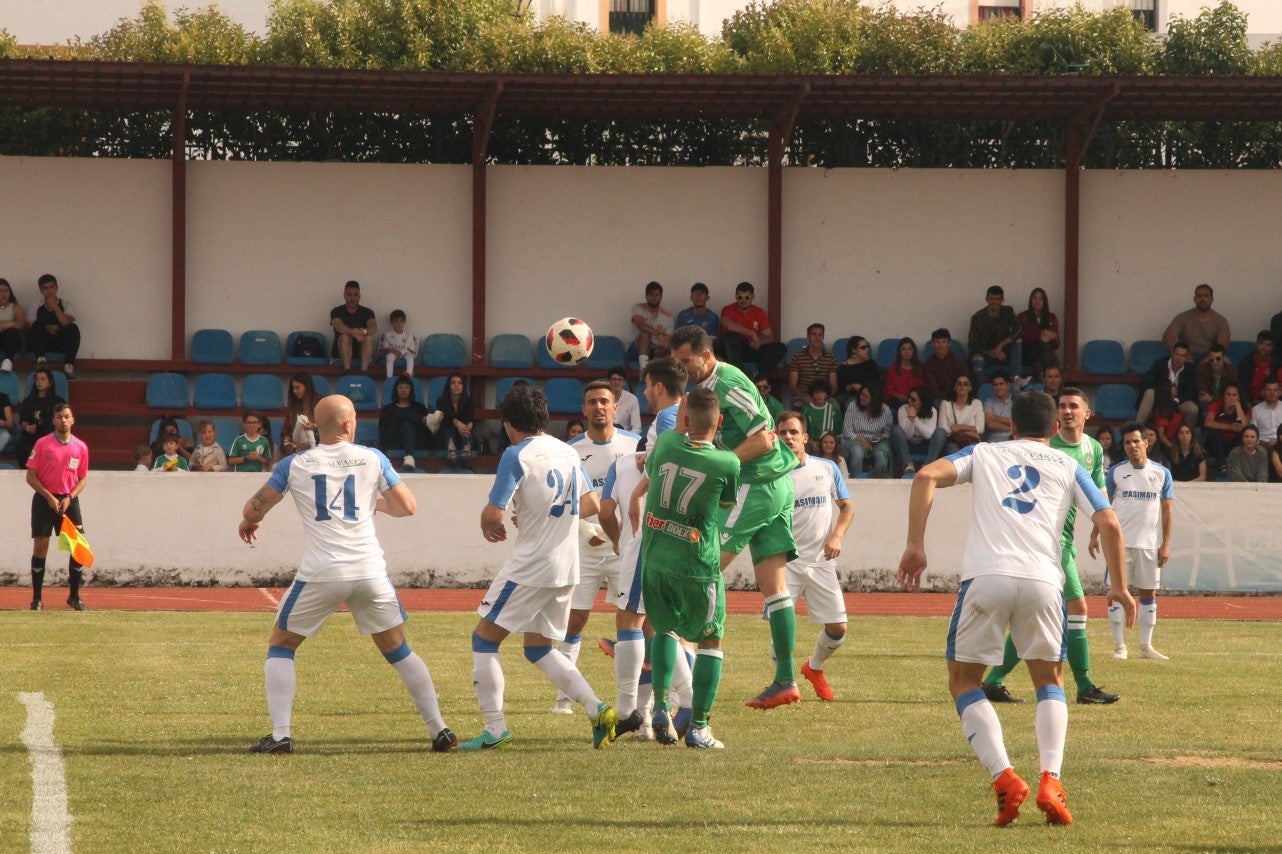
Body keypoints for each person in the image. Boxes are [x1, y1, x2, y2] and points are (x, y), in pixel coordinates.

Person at [898, 390, 1135, 828]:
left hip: (986, 577)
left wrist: (915, 544)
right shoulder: (1068, 465)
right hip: (1043, 581)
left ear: (1010, 426)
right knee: (1050, 681)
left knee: (964, 682)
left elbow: (925, 475)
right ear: (1053, 428)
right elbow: (1109, 521)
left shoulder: (984, 452)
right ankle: (1051, 780)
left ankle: (1005, 777)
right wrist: (1119, 586)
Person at [239, 394, 456, 755]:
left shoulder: (296, 464)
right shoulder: (373, 458)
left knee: (281, 645)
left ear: (316, 426)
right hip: (369, 570)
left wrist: (249, 521)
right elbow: (408, 506)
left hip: (323, 570)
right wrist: (374, 504)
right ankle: (439, 729)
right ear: (347, 424)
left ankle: (280, 736)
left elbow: (255, 507)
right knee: (399, 649)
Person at [463, 384, 617, 751]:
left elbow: (494, 513)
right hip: (566, 567)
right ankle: (597, 709)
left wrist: (488, 524)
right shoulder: (567, 451)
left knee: (484, 640)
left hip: (531, 566)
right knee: (537, 647)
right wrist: (541, 512)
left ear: (508, 423)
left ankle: (495, 729)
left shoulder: (516, 455)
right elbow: (591, 504)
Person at [669, 325, 801, 710]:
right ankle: (786, 680)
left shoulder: (729, 383)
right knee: (774, 585)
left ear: (706, 355)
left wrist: (720, 462)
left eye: (685, 361)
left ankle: (673, 661)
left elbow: (765, 439)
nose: (681, 368)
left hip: (756, 486)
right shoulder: (705, 386)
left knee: (702, 568)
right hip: (771, 484)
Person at [981, 387, 1121, 706]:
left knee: (1035, 617)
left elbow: (1099, 494)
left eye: (1074, 406)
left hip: (1066, 541)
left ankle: (994, 680)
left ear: (1087, 414)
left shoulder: (1093, 448)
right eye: (1062, 406)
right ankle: (1084, 686)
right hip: (1048, 542)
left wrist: (1097, 531)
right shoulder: (1047, 446)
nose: (1067, 411)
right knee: (1077, 608)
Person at [631, 388, 741, 748]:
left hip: (656, 558)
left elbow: (661, 459)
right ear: (719, 421)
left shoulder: (665, 444)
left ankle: (661, 705)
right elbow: (724, 503)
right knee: (710, 640)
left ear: (684, 418)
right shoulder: (727, 463)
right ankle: (699, 726)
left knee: (664, 629)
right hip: (697, 564)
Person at [597, 357, 693, 739]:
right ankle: (687, 700)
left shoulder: (668, 418)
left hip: (651, 533)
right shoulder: (682, 419)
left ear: (658, 386)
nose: (645, 392)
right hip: (673, 534)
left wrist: (644, 480)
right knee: (658, 624)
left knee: (629, 619)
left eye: (648, 385)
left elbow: (672, 461)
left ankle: (628, 711)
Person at [555, 380, 640, 715]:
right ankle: (564, 697)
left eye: (604, 401)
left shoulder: (635, 445)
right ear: (584, 409)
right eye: (592, 402)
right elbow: (565, 501)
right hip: (585, 550)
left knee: (635, 622)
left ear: (616, 407)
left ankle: (637, 698)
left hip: (627, 549)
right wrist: (586, 529)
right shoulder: (570, 451)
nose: (598, 407)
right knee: (575, 621)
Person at [775, 411, 854, 702]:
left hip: (821, 561)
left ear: (805, 437)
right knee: (781, 628)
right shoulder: (771, 473)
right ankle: (784, 684)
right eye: (782, 432)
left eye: (793, 432)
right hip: (787, 562)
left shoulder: (827, 467)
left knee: (838, 629)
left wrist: (837, 535)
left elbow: (847, 507)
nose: (788, 437)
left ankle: (814, 667)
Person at [1100, 422, 1174, 662]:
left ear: (1146, 442)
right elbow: (1104, 508)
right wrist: (1094, 535)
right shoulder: (1115, 472)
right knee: (1115, 592)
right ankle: (1119, 646)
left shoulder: (1162, 473)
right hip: (1119, 545)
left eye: (1136, 441)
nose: (1132, 446)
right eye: (1127, 442)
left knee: (1148, 593)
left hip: (1149, 545)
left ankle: (1146, 646)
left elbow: (1167, 510)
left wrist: (1166, 543)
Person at [26, 402, 91, 611]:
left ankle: (74, 596)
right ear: (54, 420)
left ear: (73, 420)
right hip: (44, 500)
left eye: (67, 416)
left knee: (77, 547)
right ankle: (37, 599)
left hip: (69, 500)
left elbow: (82, 479)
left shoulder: (80, 447)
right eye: (59, 417)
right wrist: (49, 497)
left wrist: (70, 497)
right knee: (41, 545)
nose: (63, 420)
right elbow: (30, 476)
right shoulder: (42, 444)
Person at [718, 282, 786, 376]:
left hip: (751, 348)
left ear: (752, 297)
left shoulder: (759, 312)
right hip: (732, 350)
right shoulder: (728, 309)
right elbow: (727, 324)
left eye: (747, 297)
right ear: (736, 297)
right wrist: (751, 333)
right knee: (732, 336)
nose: (743, 300)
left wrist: (759, 342)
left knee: (780, 348)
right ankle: (740, 375)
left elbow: (770, 336)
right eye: (740, 297)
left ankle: (757, 375)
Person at [1161, 283, 1230, 364]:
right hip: (1186, 356)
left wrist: (1208, 359)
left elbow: (1222, 345)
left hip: (1210, 357)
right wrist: (1180, 353)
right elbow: (1167, 338)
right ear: (1194, 299)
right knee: (1166, 363)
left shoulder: (1221, 320)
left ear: (1212, 299)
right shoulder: (1182, 317)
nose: (1202, 299)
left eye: (1206, 296)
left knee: (1225, 361)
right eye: (1199, 296)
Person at [28, 274, 80, 379]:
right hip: (43, 343)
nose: (49, 291)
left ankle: (68, 366)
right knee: (36, 325)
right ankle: (41, 361)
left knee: (73, 328)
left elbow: (66, 323)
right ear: (41, 290)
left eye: (52, 287)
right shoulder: (36, 305)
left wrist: (55, 306)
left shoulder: (66, 304)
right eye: (45, 288)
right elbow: (29, 327)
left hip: (60, 342)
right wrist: (45, 328)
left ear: (56, 288)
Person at [1136, 340, 1199, 427]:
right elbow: (1145, 382)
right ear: (1172, 353)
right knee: (1149, 392)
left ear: (1186, 357)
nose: (1179, 358)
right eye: (1177, 354)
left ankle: (1185, 433)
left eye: (1183, 356)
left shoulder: (1190, 370)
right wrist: (1167, 390)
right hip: (1158, 401)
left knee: (1193, 409)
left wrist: (1176, 400)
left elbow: (1190, 392)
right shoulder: (1160, 364)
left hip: (1177, 402)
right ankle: (1137, 428)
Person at [890, 386, 947, 475]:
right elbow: (908, 435)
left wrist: (914, 418)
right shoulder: (903, 409)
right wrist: (911, 419)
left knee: (941, 432)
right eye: (909, 397)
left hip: (926, 445)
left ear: (922, 402)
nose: (909, 401)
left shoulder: (932, 411)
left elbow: (928, 435)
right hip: (907, 445)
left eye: (913, 400)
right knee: (895, 429)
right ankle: (908, 465)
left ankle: (927, 466)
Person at [378, 375, 432, 471]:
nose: (403, 390)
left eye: (407, 387)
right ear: (396, 390)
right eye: (400, 387)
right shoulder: (388, 409)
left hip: (416, 442)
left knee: (407, 424)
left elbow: (425, 431)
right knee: (406, 420)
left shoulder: (419, 408)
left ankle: (409, 456)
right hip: (394, 442)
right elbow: (382, 430)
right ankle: (409, 456)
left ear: (411, 390)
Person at [15, 368, 66, 467]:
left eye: (43, 379)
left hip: (51, 436)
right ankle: (27, 471)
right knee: (21, 446)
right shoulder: (28, 401)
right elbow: (23, 422)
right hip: (32, 436)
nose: (39, 381)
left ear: (50, 383)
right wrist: (28, 427)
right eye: (37, 379)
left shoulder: (58, 402)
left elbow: (62, 421)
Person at [967, 285, 1020, 378]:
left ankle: (1016, 380)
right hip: (985, 355)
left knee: (1018, 343)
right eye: (991, 298)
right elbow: (972, 346)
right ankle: (980, 387)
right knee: (977, 359)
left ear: (1002, 300)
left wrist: (1000, 346)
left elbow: (1018, 330)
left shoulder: (1008, 311)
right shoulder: (977, 318)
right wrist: (990, 352)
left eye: (997, 299)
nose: (994, 302)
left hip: (1003, 353)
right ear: (986, 299)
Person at [841, 384, 892, 478]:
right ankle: (855, 481)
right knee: (857, 452)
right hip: (855, 439)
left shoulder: (885, 410)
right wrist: (862, 441)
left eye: (865, 395)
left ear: (874, 398)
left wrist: (879, 439)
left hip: (877, 441)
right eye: (861, 394)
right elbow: (847, 431)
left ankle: (879, 482)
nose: (861, 397)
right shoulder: (853, 406)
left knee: (882, 454)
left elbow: (887, 432)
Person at [330, 280, 377, 373]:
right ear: (344, 296)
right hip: (341, 350)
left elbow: (373, 328)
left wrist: (362, 332)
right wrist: (352, 332)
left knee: (368, 337)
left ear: (359, 296)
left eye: (355, 295)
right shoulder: (336, 311)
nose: (352, 298)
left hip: (360, 349)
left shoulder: (367, 312)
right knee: (345, 336)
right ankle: (347, 371)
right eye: (349, 294)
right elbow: (338, 326)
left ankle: (364, 372)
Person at [788, 323, 838, 408]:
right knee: (797, 407)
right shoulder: (798, 356)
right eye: (814, 334)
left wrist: (825, 397)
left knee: (835, 406)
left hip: (824, 395)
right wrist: (804, 397)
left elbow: (834, 385)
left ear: (823, 337)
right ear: (808, 337)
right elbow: (792, 385)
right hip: (803, 395)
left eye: (820, 335)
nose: (817, 338)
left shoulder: (830, 357)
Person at [1018, 287, 1059, 379]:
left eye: (1041, 298)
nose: (1037, 301)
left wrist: (1051, 337)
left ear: (1045, 301)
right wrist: (1042, 333)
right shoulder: (1022, 317)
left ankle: (1040, 377)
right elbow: (1024, 337)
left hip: (1044, 354)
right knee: (1043, 341)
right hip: (1028, 353)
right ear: (1031, 300)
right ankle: (1049, 377)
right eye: (1035, 298)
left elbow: (1056, 344)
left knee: (1040, 357)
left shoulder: (1051, 317)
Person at [434, 372, 475, 466]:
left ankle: (466, 451)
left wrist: (469, 424)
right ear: (448, 386)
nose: (456, 385)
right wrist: (457, 424)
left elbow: (470, 417)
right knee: (448, 425)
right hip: (445, 436)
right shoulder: (441, 401)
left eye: (459, 383)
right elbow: (447, 417)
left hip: (462, 435)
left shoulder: (469, 401)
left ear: (463, 386)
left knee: (468, 429)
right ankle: (451, 451)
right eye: (453, 383)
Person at [630, 281, 673, 369]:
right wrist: (658, 334)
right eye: (651, 294)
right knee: (645, 334)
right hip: (637, 349)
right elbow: (640, 324)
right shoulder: (638, 307)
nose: (654, 297)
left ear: (661, 296)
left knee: (668, 348)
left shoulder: (668, 316)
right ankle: (643, 370)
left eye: (657, 295)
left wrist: (663, 345)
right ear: (646, 296)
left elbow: (667, 339)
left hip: (657, 349)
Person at [938, 374, 984, 454]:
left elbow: (980, 428)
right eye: (959, 384)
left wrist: (960, 427)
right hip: (952, 441)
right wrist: (969, 431)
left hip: (971, 441)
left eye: (966, 384)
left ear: (970, 388)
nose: (962, 386)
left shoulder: (977, 403)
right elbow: (942, 428)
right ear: (954, 387)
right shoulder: (945, 404)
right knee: (953, 453)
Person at [1203, 382, 1248, 464]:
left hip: (1233, 443)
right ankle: (1222, 464)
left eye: (1234, 395)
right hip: (1217, 442)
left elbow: (1244, 425)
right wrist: (1229, 427)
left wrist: (1238, 405)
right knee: (1213, 430)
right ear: (1224, 396)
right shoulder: (1216, 405)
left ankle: (1235, 462)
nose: (1231, 397)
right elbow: (1207, 422)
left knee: (1242, 431)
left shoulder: (1243, 408)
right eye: (1228, 394)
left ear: (1239, 397)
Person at [922, 328, 968, 407]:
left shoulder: (958, 361)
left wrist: (957, 395)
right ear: (932, 344)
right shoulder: (928, 364)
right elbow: (932, 387)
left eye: (944, 342)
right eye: (937, 342)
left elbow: (965, 380)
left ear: (949, 343)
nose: (940, 345)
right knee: (940, 404)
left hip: (958, 395)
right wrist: (947, 399)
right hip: (939, 398)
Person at [836, 335, 882, 411]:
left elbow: (877, 384)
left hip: (868, 393)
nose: (867, 349)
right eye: (863, 348)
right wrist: (850, 387)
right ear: (854, 350)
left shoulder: (871, 364)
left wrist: (862, 388)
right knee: (845, 402)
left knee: (853, 403)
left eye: (867, 347)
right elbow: (841, 387)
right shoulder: (844, 366)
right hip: (849, 394)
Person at [281, 374, 320, 457]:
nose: (294, 391)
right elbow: (286, 430)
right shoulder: (293, 406)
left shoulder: (321, 403)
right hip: (297, 448)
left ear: (307, 387)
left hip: (318, 446)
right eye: (293, 388)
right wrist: (287, 439)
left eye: (297, 388)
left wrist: (314, 426)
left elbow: (330, 426)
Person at [1235, 331, 1276, 406]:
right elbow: (1242, 388)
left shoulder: (1276, 364)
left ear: (1272, 348)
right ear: (1256, 344)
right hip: (1250, 402)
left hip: (1272, 402)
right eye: (1261, 343)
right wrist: (1251, 402)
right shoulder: (1245, 363)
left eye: (1268, 345)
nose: (1264, 347)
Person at [801, 380, 842, 454]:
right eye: (816, 392)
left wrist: (830, 445)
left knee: (844, 453)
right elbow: (802, 432)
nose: (819, 395)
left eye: (822, 392)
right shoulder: (806, 410)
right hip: (812, 444)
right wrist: (811, 443)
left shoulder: (834, 410)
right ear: (812, 394)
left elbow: (839, 432)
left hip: (831, 444)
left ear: (826, 394)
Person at [883, 337, 923, 410]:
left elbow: (921, 387)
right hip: (896, 399)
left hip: (914, 398)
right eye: (903, 349)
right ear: (899, 351)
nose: (906, 352)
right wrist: (899, 396)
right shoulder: (893, 368)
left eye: (909, 349)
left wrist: (912, 398)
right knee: (906, 406)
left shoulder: (919, 368)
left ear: (913, 351)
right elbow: (889, 389)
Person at [1195, 342, 1238, 410]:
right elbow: (1203, 394)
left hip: (1225, 401)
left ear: (1223, 358)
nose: (1214, 362)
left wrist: (1212, 398)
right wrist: (1216, 398)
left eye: (1218, 359)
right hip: (1207, 402)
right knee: (1204, 404)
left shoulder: (1231, 371)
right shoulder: (1202, 369)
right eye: (1211, 359)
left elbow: (1232, 393)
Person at [379, 308, 418, 379]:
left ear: (404, 322)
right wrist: (394, 352)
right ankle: (389, 378)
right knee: (390, 356)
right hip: (393, 353)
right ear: (391, 322)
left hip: (405, 353)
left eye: (401, 321)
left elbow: (411, 350)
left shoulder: (409, 336)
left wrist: (401, 352)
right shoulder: (388, 335)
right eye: (395, 321)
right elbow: (385, 349)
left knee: (410, 356)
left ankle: (408, 376)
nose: (398, 324)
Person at [0, 277, 27, 372]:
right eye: (0, 291)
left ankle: (8, 361)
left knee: (10, 331)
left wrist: (9, 324)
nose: (3, 294)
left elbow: (21, 324)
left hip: (11, 341)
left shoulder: (16, 307)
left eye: (6, 291)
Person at [607, 366, 642, 434]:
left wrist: (627, 438)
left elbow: (637, 427)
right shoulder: (602, 398)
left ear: (624, 382)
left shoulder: (632, 399)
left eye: (619, 379)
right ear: (609, 381)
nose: (616, 382)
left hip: (625, 436)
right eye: (614, 379)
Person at [1250, 379, 1282, 451]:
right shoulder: (1256, 410)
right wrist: (1263, 443)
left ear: (1280, 392)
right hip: (1262, 447)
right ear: (1263, 392)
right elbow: (1252, 432)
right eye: (1268, 390)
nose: (1272, 393)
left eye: (1275, 390)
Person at [982, 372, 1013, 442]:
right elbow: (990, 424)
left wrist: (995, 418)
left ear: (1008, 385)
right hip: (993, 442)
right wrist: (1011, 428)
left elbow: (1017, 423)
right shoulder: (988, 403)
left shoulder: (1016, 402)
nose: (998, 387)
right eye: (995, 385)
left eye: (1001, 384)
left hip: (1012, 441)